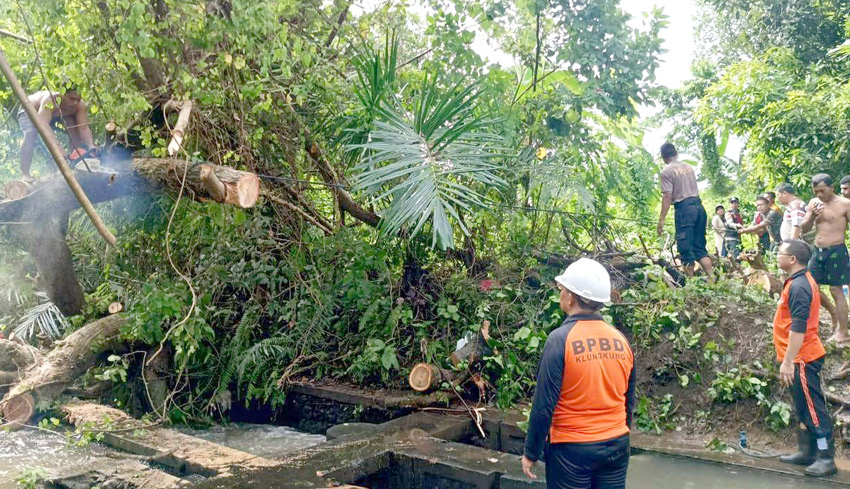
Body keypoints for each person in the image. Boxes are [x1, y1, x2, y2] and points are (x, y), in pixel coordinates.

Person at [522, 258, 635, 489]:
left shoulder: (560, 340)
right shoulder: (620, 340)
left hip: (572, 451)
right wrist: (619, 436)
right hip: (616, 445)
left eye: (562, 289)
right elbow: (628, 401)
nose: (560, 293)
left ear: (572, 297)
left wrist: (531, 453)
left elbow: (544, 405)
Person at [774, 240, 836, 477]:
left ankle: (825, 457)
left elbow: (799, 327)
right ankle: (806, 451)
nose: (777, 256)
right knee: (802, 406)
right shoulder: (795, 281)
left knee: (812, 408)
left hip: (803, 357)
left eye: (781, 253)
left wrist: (789, 361)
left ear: (792, 260)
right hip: (797, 356)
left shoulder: (800, 286)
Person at [801, 173, 850, 343]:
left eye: (823, 190)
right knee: (810, 287)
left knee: (836, 290)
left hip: (836, 250)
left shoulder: (845, 204)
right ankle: (829, 316)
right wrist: (812, 215)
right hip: (818, 250)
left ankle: (844, 332)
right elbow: (804, 229)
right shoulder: (814, 204)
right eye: (816, 191)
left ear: (832, 188)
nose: (820, 195)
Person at [657, 143, 713, 280]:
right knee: (699, 247)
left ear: (663, 157)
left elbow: (667, 196)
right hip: (699, 207)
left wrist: (661, 219)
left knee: (685, 247)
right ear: (675, 153)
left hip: (684, 210)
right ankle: (712, 278)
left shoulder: (666, 171)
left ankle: (691, 284)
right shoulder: (688, 167)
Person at [17, 85, 94, 180]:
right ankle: (25, 174)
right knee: (30, 134)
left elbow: (83, 128)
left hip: (55, 114)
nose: (75, 103)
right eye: (71, 98)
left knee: (74, 128)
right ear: (62, 94)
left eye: (78, 99)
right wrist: (60, 150)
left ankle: (75, 162)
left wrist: (91, 145)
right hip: (30, 111)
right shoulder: (49, 100)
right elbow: (43, 125)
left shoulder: (79, 105)